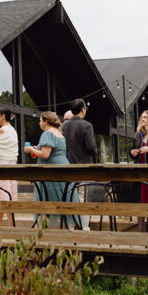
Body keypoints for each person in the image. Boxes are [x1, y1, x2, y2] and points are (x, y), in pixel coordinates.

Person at [25, 111, 71, 228]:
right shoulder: (59, 133)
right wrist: (37, 148)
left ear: (46, 121)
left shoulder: (47, 133)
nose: (39, 123)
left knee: (48, 201)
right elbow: (51, 150)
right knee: (62, 201)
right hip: (63, 167)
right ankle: (64, 232)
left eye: (40, 120)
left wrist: (31, 149)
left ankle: (47, 233)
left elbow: (45, 154)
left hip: (51, 171)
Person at [63, 98, 98, 229]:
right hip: (84, 167)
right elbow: (91, 147)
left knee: (71, 195)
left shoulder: (64, 126)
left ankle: (71, 226)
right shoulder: (87, 125)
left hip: (68, 166)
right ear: (83, 110)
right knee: (83, 197)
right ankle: (83, 226)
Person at [0, 107, 19, 226]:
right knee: (8, 197)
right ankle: (11, 227)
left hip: (1, 167)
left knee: (2, 198)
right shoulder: (13, 131)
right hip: (11, 166)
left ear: (3, 116)